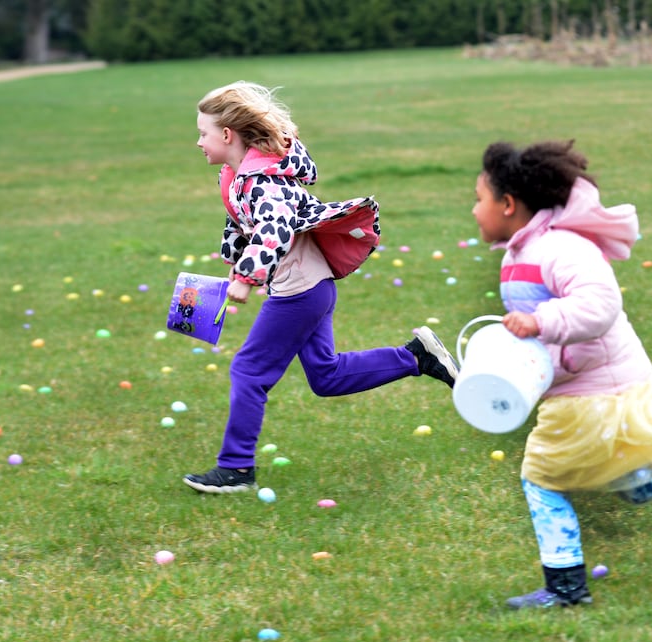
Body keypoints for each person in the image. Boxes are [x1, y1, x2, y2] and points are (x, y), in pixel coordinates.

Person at [471, 139, 652, 609]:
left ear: (508, 205)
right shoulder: (519, 253)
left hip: (591, 393)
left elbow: (600, 304)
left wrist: (541, 322)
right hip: (582, 389)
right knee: (633, 487)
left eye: (479, 199)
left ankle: (566, 588)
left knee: (541, 479)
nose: (474, 210)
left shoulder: (560, 248)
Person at [183, 81, 459, 494]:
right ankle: (416, 357)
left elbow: (274, 230)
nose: (198, 142)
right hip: (308, 288)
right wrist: (233, 264)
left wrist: (245, 279)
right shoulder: (239, 175)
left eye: (203, 133)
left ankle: (236, 469)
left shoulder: (264, 182)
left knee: (248, 370)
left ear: (227, 136)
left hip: (299, 292)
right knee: (325, 376)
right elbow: (240, 223)